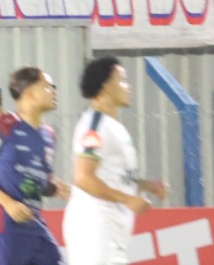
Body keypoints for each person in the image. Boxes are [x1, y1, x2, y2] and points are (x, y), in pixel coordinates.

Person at [66, 57, 165, 265]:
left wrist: (145, 185)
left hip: (113, 230)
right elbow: (83, 177)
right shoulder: (94, 125)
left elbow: (114, 176)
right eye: (122, 80)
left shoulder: (113, 125)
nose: (128, 87)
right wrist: (127, 199)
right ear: (106, 87)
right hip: (94, 228)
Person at [0, 65, 63, 265]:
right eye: (48, 87)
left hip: (35, 225)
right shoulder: (2, 126)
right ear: (29, 93)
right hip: (4, 226)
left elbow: (40, 182)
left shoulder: (49, 135)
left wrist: (55, 187)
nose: (54, 92)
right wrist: (8, 203)